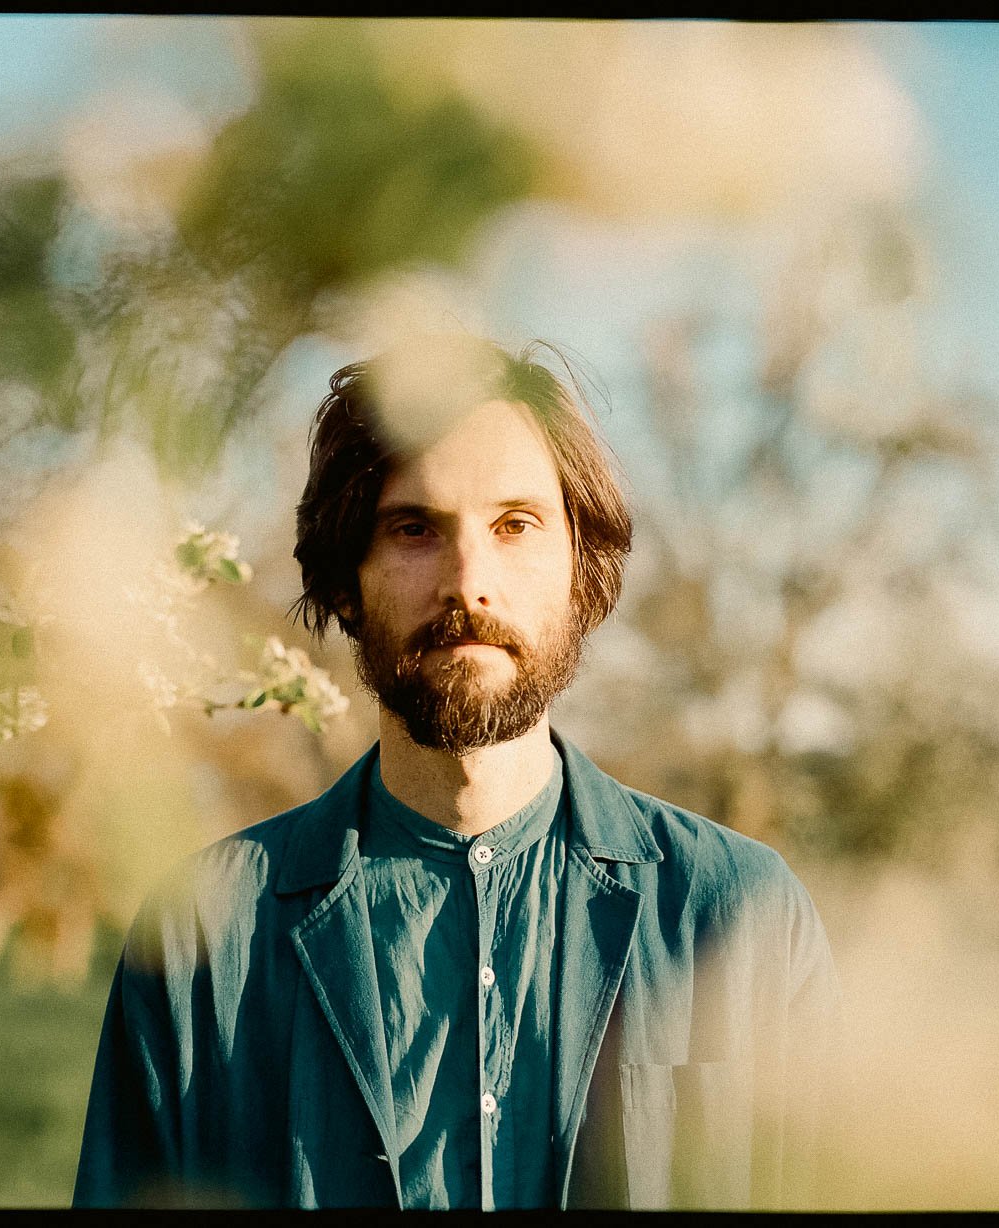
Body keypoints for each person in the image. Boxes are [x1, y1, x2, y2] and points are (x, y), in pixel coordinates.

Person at [72, 335, 839, 1210]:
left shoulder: (742, 918)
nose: (469, 582)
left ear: (581, 568)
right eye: (413, 529)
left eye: (515, 525)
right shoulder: (200, 943)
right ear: (347, 580)